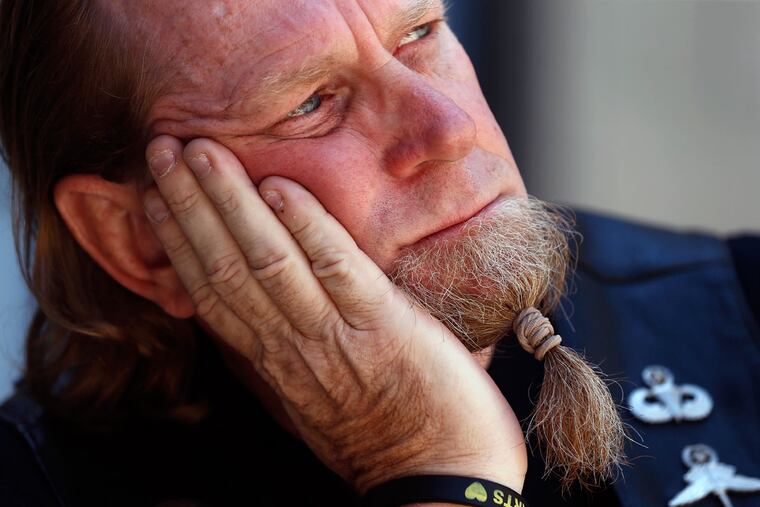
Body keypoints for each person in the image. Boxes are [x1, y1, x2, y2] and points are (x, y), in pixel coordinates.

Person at [0, 1, 758, 506]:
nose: (448, 127)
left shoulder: (744, 309)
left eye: (420, 34)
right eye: (309, 103)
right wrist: (436, 466)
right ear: (140, 241)